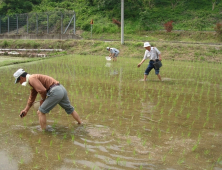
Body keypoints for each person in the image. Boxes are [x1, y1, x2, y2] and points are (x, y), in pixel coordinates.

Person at [13, 68, 82, 130]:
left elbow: (43, 90)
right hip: (61, 89)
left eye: (19, 81)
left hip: (55, 91)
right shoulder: (32, 80)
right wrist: (26, 110)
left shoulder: (32, 78)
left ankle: (43, 132)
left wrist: (43, 99)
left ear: (21, 77)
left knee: (40, 112)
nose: (20, 83)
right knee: (69, 108)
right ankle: (80, 123)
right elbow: (32, 97)